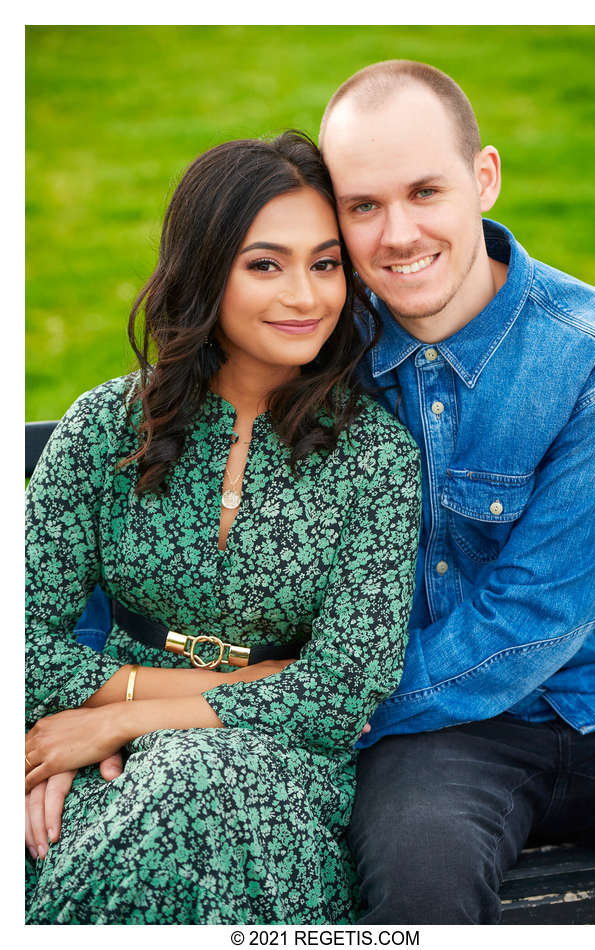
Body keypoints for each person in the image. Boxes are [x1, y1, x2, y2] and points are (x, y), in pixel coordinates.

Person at [24, 131, 422, 924]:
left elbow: (340, 696)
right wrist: (110, 730)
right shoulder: (108, 426)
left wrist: (124, 711)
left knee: (195, 790)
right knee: (155, 804)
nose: (306, 297)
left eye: (325, 263)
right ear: (206, 271)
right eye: (265, 264)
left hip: (283, 771)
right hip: (111, 765)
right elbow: (19, 633)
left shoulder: (377, 458)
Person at [317, 60, 595, 924]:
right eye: (363, 205)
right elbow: (152, 447)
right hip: (444, 737)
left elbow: (532, 622)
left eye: (425, 191)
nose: (399, 233)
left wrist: (312, 702)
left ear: (483, 178)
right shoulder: (317, 348)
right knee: (421, 892)